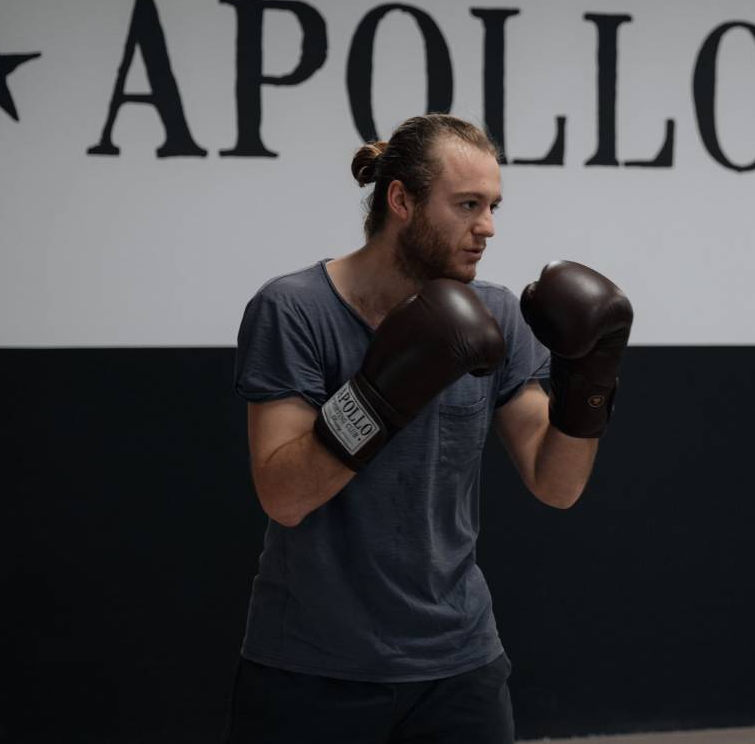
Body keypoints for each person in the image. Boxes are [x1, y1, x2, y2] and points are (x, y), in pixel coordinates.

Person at [226, 113, 633, 743]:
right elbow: (284, 496)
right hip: (311, 665)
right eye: (468, 204)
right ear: (401, 201)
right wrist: (385, 388)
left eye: (493, 206)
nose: (488, 228)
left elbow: (557, 484)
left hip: (460, 661)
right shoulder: (294, 309)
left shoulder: (495, 312)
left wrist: (592, 380)